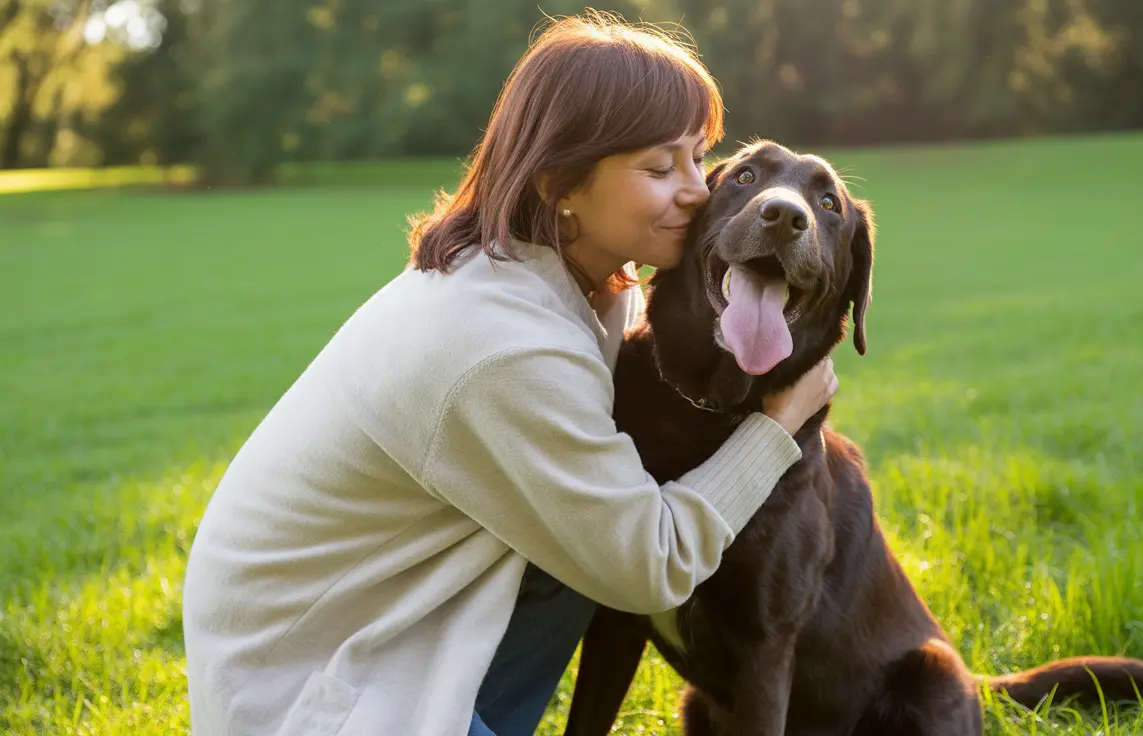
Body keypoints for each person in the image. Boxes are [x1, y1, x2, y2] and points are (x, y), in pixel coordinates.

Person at [181, 11, 838, 736]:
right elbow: (647, 567)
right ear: (561, 182)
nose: (697, 190)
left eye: (698, 158)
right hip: (309, 691)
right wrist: (777, 427)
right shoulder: (503, 346)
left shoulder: (580, 283)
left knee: (587, 520)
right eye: (660, 169)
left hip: (387, 626)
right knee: (603, 538)